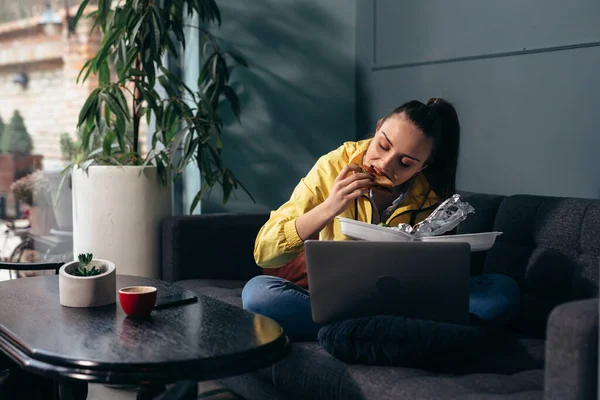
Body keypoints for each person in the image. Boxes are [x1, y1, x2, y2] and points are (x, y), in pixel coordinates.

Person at [243, 98, 520, 340]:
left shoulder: (432, 198)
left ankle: (360, 331)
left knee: (502, 291)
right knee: (259, 294)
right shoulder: (333, 166)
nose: (385, 164)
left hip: (403, 300)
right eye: (383, 145)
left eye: (406, 163)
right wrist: (331, 206)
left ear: (424, 166)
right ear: (377, 128)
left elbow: (441, 280)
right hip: (343, 301)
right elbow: (264, 253)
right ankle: (399, 332)